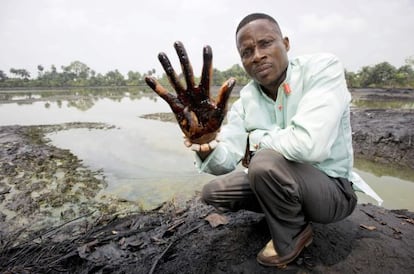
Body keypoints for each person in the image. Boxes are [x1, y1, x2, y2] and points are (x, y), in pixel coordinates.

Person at [145, 12, 381, 269]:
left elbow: (310, 145)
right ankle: (284, 209)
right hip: (283, 180)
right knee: (214, 191)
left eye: (265, 43)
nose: (257, 55)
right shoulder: (247, 98)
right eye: (246, 52)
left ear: (286, 44)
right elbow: (223, 161)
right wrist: (206, 141)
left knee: (263, 163)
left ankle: (294, 234)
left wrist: (255, 141)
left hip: (332, 192)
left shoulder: (322, 69)